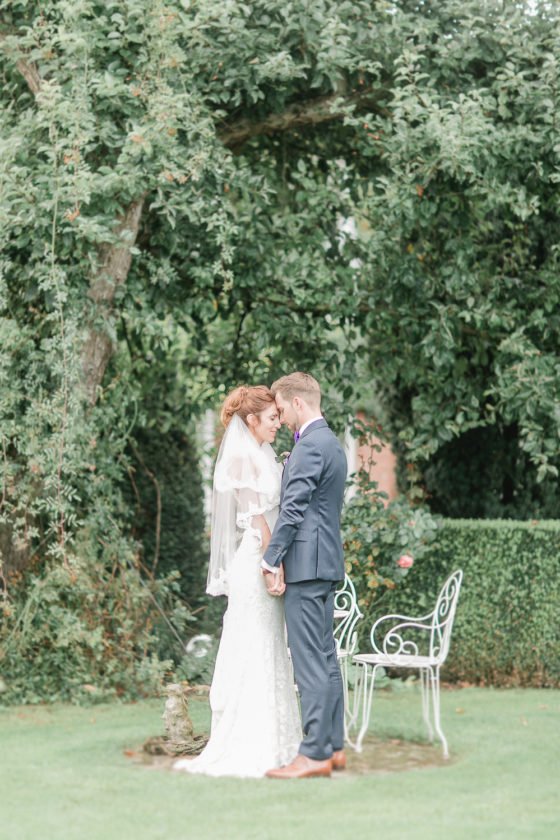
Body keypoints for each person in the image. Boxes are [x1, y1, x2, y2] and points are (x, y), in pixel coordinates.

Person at [173, 385, 302, 778]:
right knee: (255, 645)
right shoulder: (243, 457)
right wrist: (272, 564)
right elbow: (258, 521)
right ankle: (252, 742)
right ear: (252, 421)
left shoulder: (263, 453)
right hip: (257, 559)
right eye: (271, 419)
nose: (278, 424)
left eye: (278, 418)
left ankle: (281, 740)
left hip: (267, 556)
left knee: (270, 646)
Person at [262, 372, 347, 779]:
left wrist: (270, 557)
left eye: (281, 409)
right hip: (325, 564)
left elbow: (294, 509)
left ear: (298, 402)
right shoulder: (331, 442)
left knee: (310, 660)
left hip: (306, 566)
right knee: (326, 658)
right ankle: (333, 746)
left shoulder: (311, 446)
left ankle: (313, 754)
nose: (281, 418)